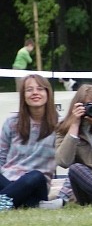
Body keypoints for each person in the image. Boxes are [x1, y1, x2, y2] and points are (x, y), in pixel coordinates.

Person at [0, 75, 57, 210]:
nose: (35, 93)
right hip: (8, 181)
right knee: (27, 200)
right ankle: (23, 203)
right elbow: (1, 157)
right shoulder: (12, 122)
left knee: (35, 176)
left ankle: (7, 200)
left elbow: (71, 160)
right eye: (29, 90)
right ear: (23, 96)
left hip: (35, 186)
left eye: (40, 89)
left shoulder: (60, 125)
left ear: (48, 93)